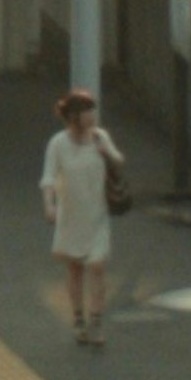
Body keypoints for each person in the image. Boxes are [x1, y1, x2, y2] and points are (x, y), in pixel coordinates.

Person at [41, 81, 126, 344]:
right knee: (75, 268)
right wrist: (50, 205)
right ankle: (78, 320)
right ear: (73, 116)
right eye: (87, 111)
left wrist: (106, 153)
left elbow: (119, 161)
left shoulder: (100, 137)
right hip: (71, 215)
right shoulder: (58, 143)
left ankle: (96, 322)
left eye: (93, 110)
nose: (93, 116)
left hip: (97, 213)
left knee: (97, 266)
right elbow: (49, 178)